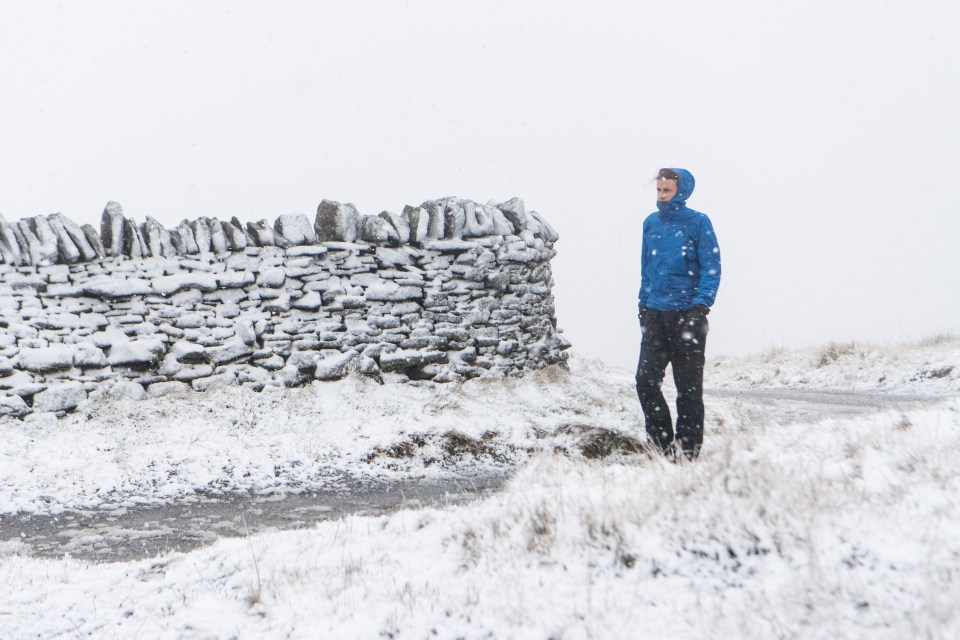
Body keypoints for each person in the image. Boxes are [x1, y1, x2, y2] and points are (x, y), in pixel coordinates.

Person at [636, 168, 721, 461]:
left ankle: (687, 452)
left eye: (667, 190)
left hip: (688, 316)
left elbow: (712, 266)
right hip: (655, 315)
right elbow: (646, 268)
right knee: (645, 381)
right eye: (658, 190)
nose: (661, 196)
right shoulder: (651, 223)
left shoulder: (698, 223)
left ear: (681, 191)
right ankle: (660, 447)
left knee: (688, 389)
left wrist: (700, 307)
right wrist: (643, 305)